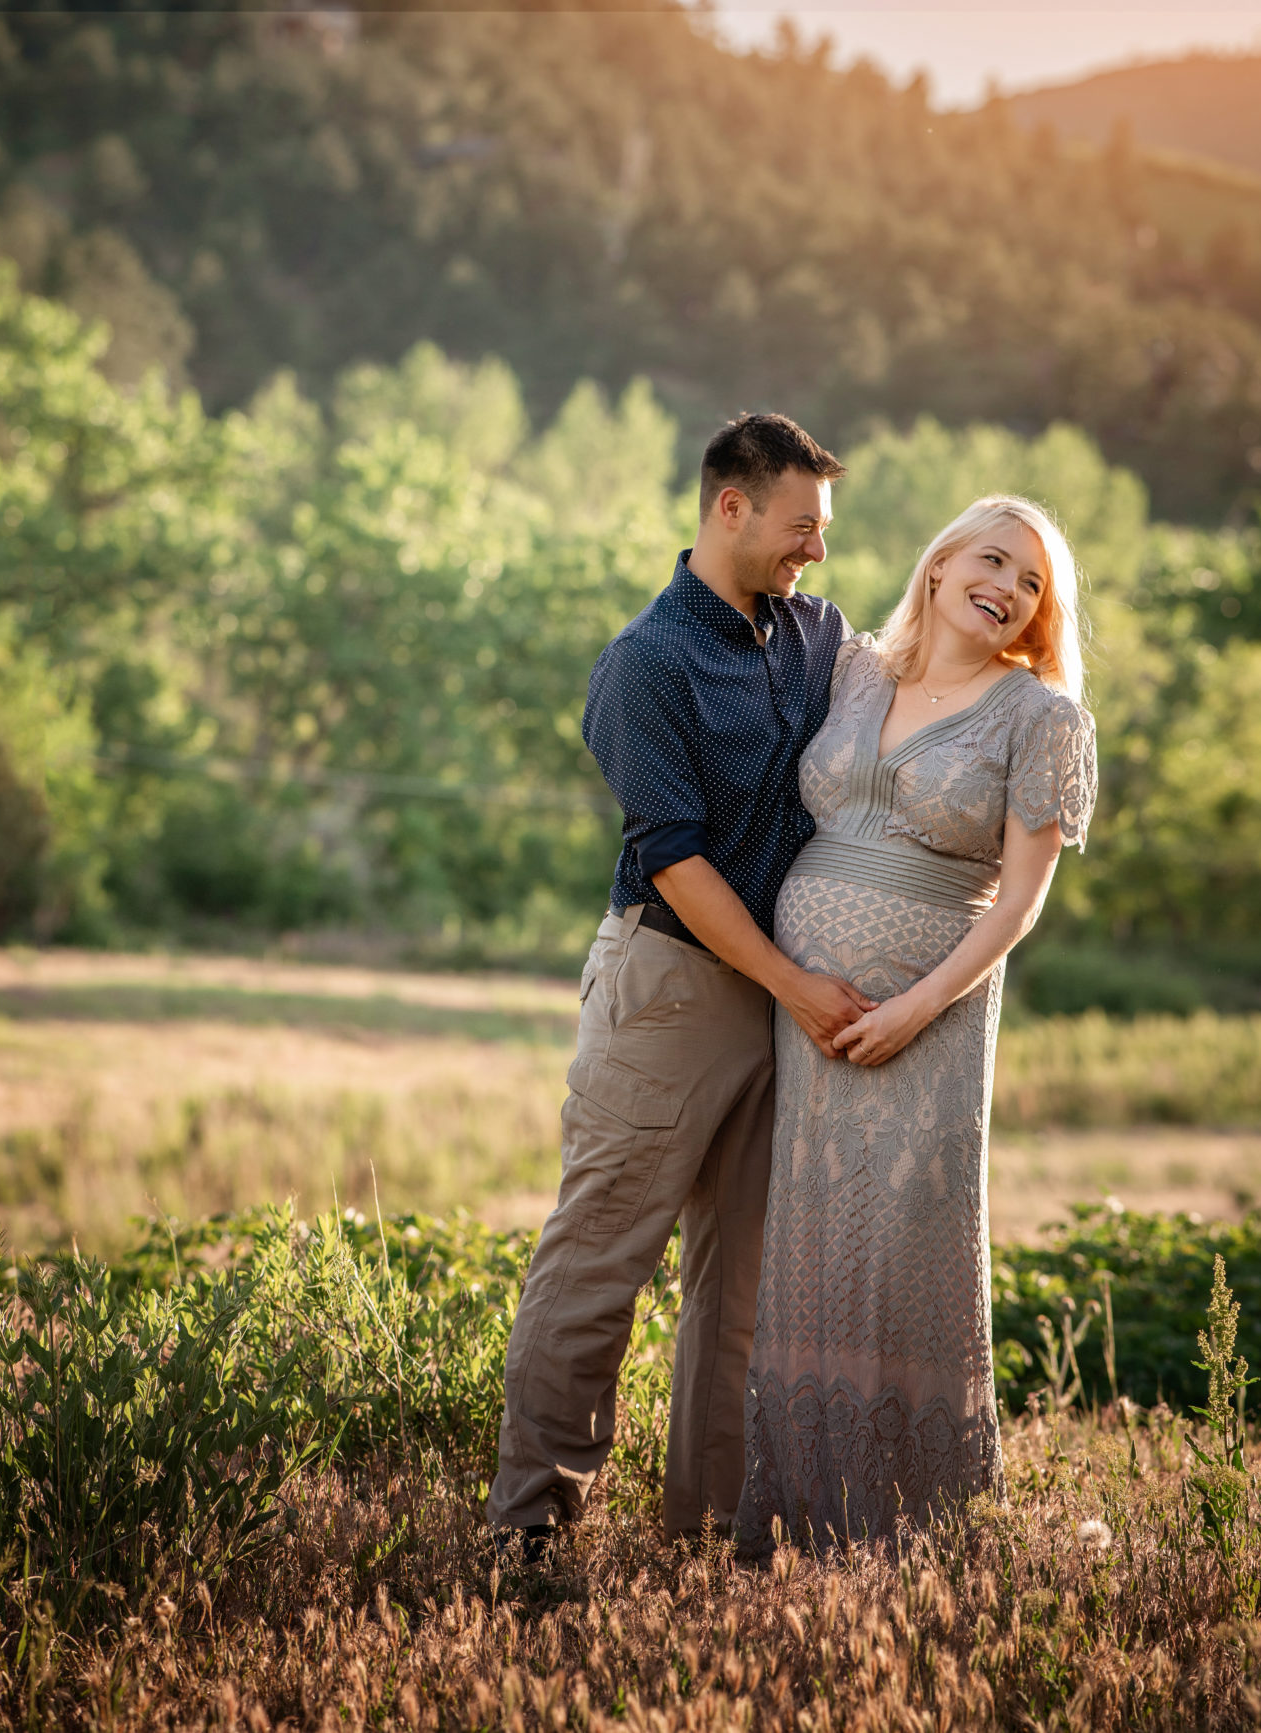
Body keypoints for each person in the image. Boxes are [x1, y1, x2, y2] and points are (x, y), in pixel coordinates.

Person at [489, 412, 875, 1553]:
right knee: (601, 1256)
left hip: (778, 1002)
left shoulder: (818, 637)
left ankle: (707, 1535)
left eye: (823, 528)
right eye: (801, 526)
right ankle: (530, 1534)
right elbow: (675, 854)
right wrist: (797, 986)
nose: (815, 550)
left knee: (741, 1284)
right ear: (729, 507)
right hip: (670, 983)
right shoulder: (645, 662)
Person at [732, 494, 1098, 1559]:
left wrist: (912, 1005)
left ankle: (910, 1526)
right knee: (810, 1250)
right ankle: (799, 1522)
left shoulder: (1040, 717)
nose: (1009, 588)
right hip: (803, 1018)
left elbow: (1021, 901)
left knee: (901, 1249)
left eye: (1032, 583)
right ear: (938, 566)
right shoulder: (853, 671)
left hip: (925, 1017)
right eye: (993, 559)